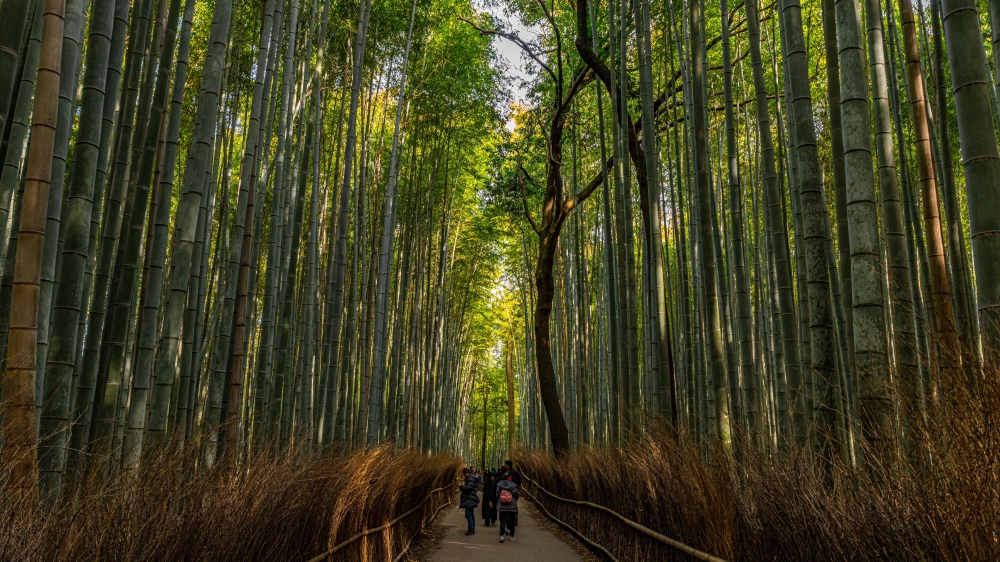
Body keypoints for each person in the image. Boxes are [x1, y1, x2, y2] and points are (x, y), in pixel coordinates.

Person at [495, 473, 520, 542]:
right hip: (512, 506)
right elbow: (517, 494)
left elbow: (497, 494)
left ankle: (502, 535)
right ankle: (511, 536)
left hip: (502, 505)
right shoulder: (513, 485)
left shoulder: (499, 485)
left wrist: (501, 499)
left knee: (502, 521)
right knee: (512, 521)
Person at [459, 468, 480, 535]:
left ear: (466, 473)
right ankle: (472, 528)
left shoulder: (470, 479)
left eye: (464, 474)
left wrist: (461, 486)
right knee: (470, 514)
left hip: (469, 498)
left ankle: (471, 529)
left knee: (468, 514)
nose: (464, 475)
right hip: (470, 498)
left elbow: (468, 488)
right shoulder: (471, 478)